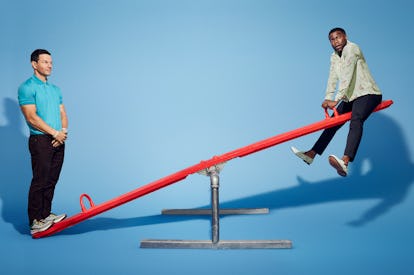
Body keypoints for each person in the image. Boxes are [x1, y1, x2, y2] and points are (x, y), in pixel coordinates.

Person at [291, 27, 382, 177]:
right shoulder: (334, 56)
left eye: (338, 37)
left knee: (356, 120)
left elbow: (347, 75)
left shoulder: (353, 49)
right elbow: (332, 77)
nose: (335, 41)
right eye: (332, 39)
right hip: (351, 96)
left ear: (345, 36)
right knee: (333, 123)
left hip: (368, 93)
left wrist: (336, 99)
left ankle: (344, 162)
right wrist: (328, 97)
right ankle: (311, 154)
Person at [18, 49, 68, 235]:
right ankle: (35, 221)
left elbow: (62, 113)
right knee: (40, 180)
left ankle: (45, 215)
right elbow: (31, 118)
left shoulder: (55, 89)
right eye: (45, 62)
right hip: (40, 140)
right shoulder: (27, 87)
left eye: (51, 62)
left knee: (51, 180)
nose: (50, 65)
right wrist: (54, 133)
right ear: (34, 64)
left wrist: (62, 132)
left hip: (58, 139)